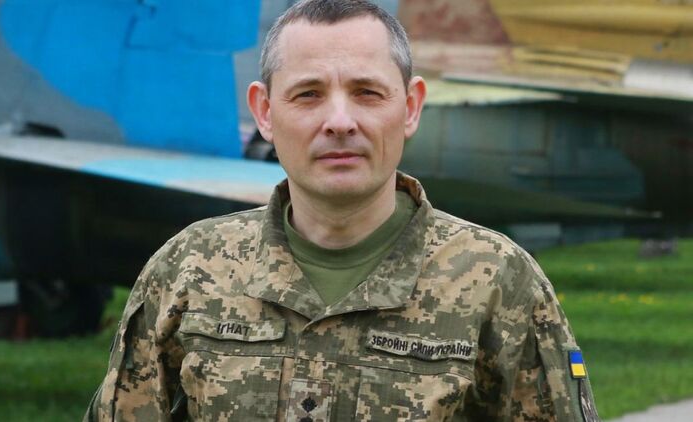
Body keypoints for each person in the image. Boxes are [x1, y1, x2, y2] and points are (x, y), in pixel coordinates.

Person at [86, 0, 599, 420]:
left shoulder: (497, 280)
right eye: (308, 94)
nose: (339, 121)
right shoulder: (189, 268)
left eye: (366, 92)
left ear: (410, 107)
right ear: (264, 111)